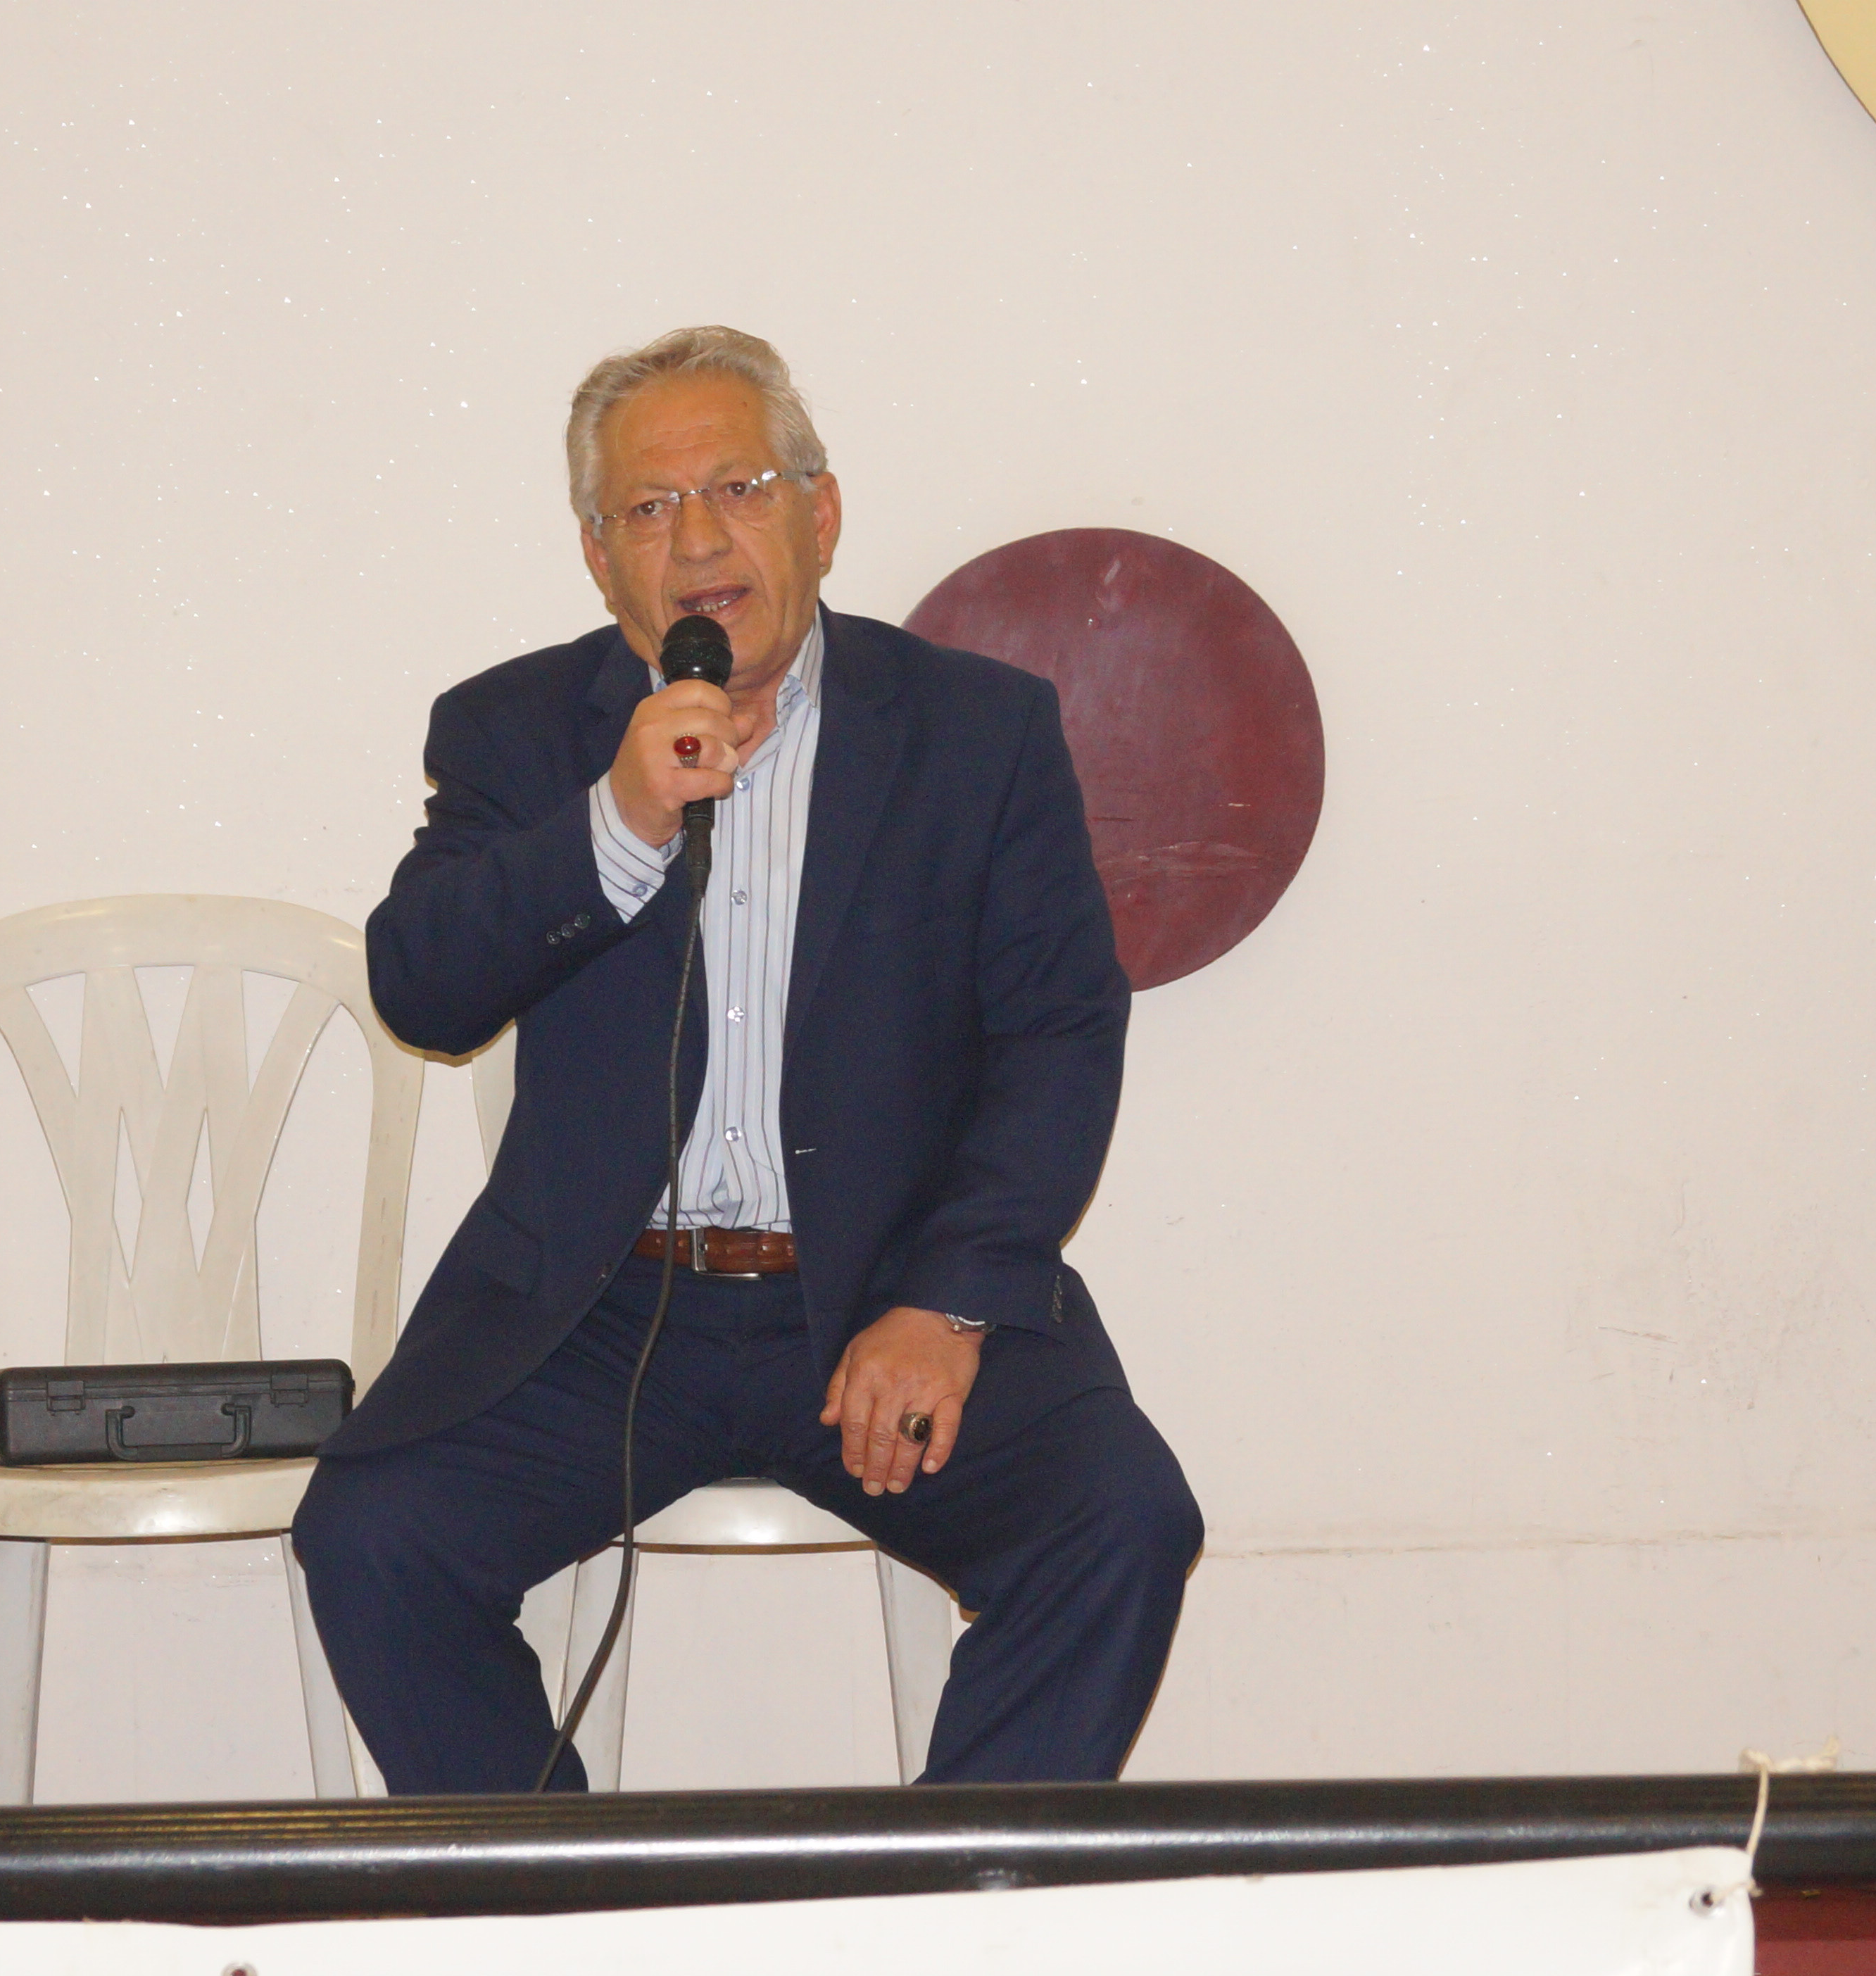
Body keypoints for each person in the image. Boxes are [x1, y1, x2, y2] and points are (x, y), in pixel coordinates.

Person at [291, 325, 1202, 1793]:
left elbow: (1058, 1034)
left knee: (1118, 1522)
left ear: (820, 514)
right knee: (372, 1538)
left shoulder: (977, 734)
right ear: (599, 557)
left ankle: (946, 1906)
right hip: (598, 1310)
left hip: (886, 1292)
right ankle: (567, 1908)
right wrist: (618, 821)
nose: (700, 540)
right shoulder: (518, 731)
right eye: (649, 508)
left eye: (740, 489)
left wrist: (948, 1304)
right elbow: (424, 987)